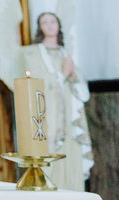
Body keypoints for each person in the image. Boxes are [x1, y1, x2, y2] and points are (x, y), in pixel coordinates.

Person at [19, 12, 92, 190]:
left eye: (53, 21)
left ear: (59, 25)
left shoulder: (64, 53)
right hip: (50, 113)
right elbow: (37, 83)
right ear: (40, 28)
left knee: (72, 148)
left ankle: (74, 189)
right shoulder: (33, 53)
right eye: (45, 22)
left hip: (69, 113)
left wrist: (73, 76)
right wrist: (63, 74)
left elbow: (82, 89)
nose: (50, 25)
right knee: (52, 152)